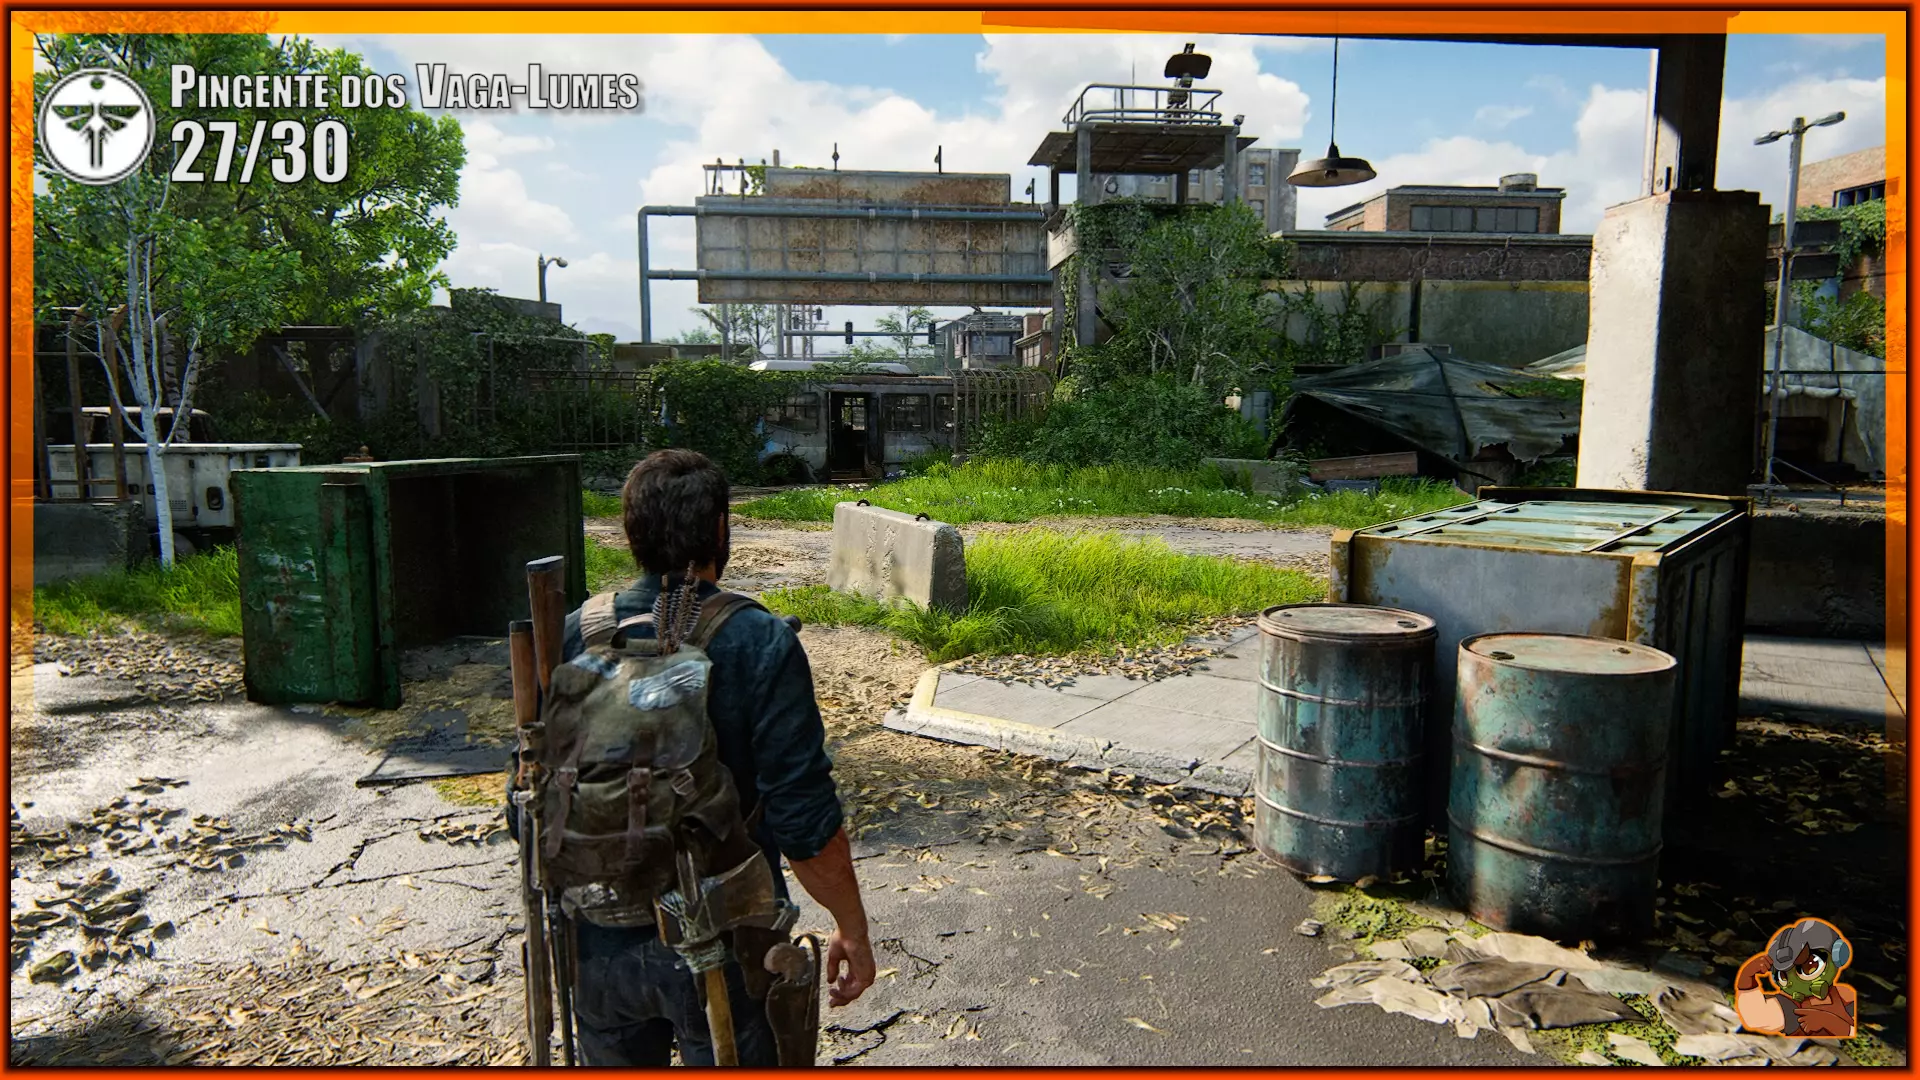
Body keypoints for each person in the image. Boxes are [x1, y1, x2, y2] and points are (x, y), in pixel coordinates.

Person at [551, 448, 875, 1066]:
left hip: (595, 943)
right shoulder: (758, 641)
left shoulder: (574, 633)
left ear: (630, 533)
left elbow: (535, 794)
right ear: (721, 529)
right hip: (725, 945)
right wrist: (851, 928)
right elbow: (804, 822)